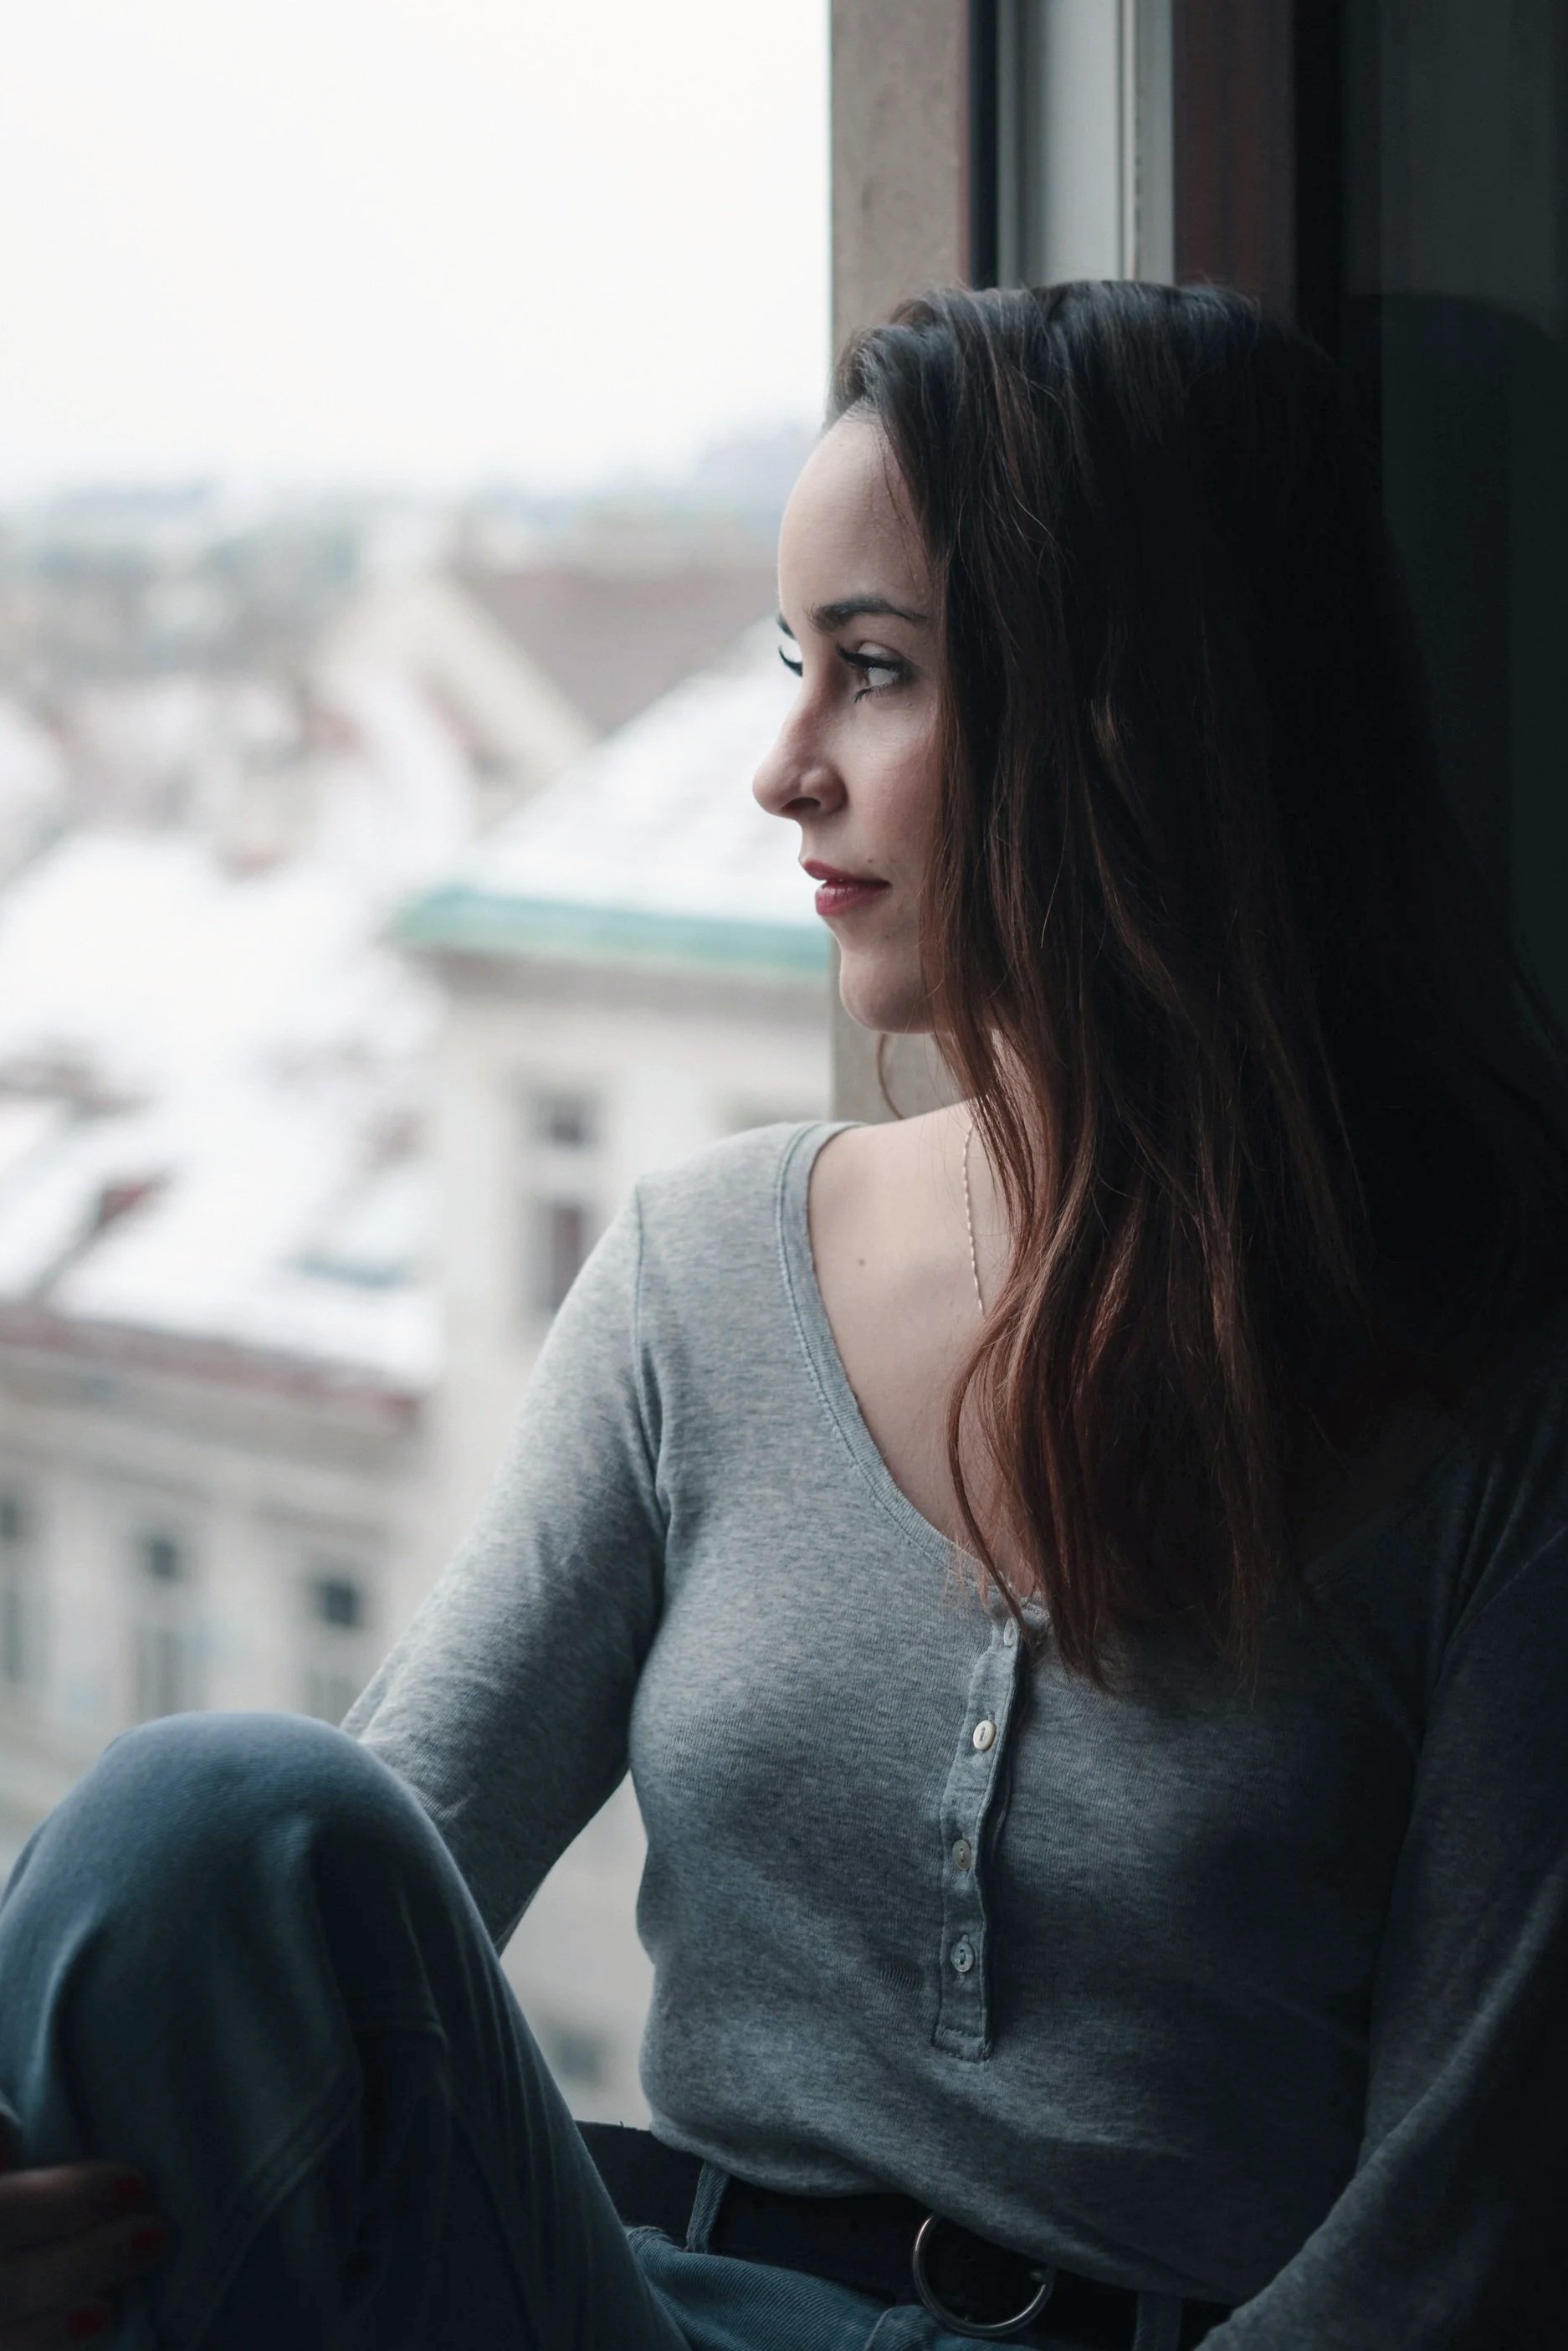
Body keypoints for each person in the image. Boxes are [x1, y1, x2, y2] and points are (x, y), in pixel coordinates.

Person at [1, 279, 1566, 2351]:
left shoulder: (1495, 1396)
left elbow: (1448, 2251)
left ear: (1139, 716)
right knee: (208, 1814)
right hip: (639, 2309)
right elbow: (365, 1872)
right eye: (788, 667)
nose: (779, 770)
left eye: (878, 673)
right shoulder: (702, 1274)